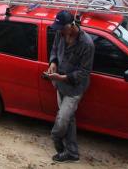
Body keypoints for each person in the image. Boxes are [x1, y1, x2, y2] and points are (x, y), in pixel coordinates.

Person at [44, 10, 95, 163]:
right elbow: (54, 50)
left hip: (74, 89)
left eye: (61, 27)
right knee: (69, 119)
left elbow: (84, 73)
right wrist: (53, 63)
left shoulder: (87, 44)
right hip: (60, 85)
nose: (58, 30)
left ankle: (56, 137)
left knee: (62, 120)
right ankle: (72, 153)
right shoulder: (60, 34)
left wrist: (62, 77)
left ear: (72, 25)